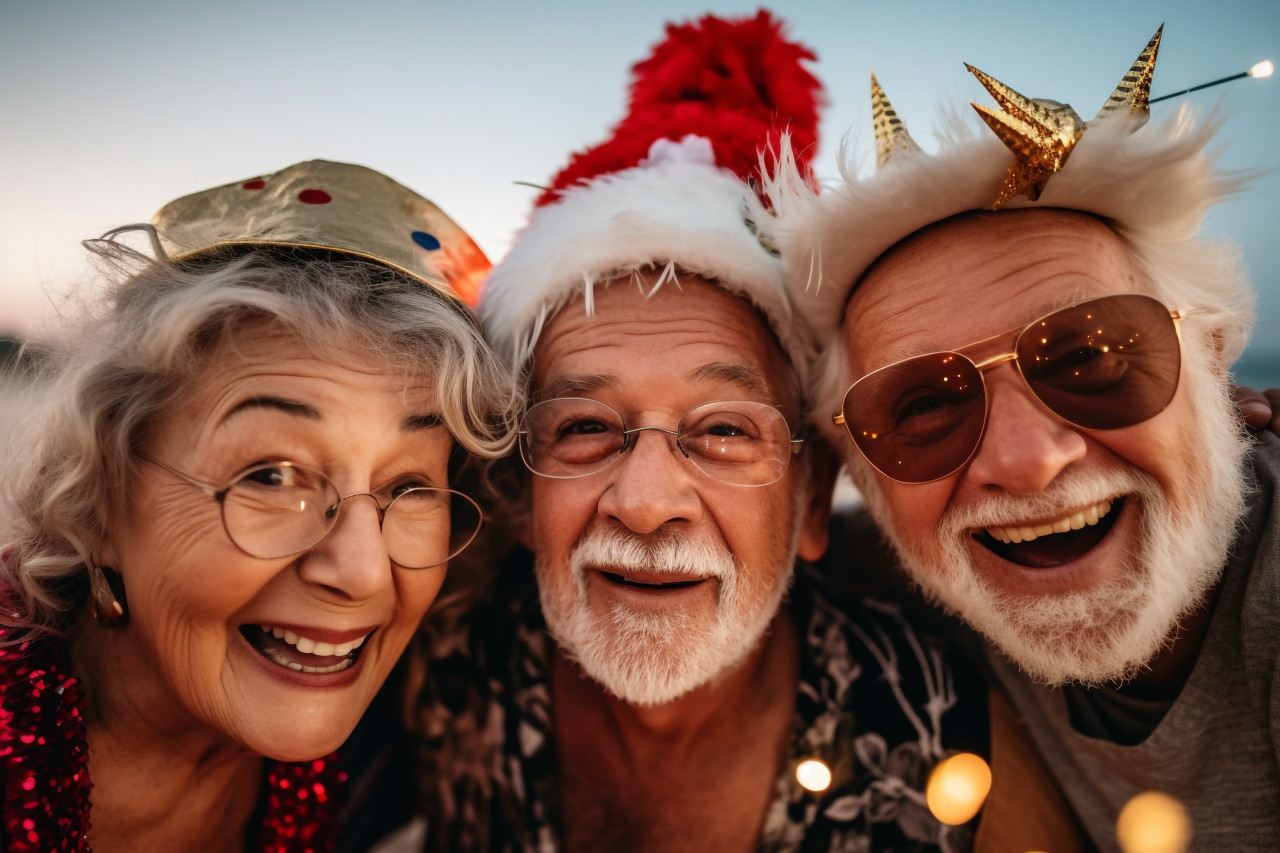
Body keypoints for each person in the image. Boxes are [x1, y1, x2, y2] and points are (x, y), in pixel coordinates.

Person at [411, 13, 1003, 853]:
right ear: (518, 491)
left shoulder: (953, 719)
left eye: (723, 430)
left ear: (808, 499)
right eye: (583, 425)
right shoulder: (435, 650)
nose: (647, 504)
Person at [768, 27, 1279, 850]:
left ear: (1213, 367)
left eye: (1091, 354)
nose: (1025, 460)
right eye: (924, 405)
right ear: (859, 465)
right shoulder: (883, 581)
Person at [0, 160, 517, 852]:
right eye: (272, 476)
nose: (362, 571)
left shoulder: (396, 762)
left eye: (409, 488)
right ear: (98, 503)